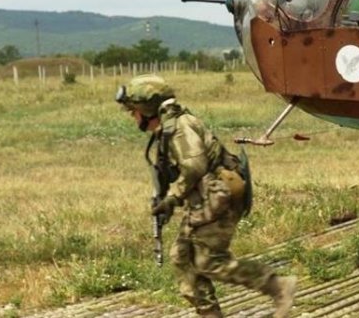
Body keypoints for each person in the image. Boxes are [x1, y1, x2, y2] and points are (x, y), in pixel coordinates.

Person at [115, 74, 296, 318]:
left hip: (219, 198)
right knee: (182, 258)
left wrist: (172, 198)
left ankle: (277, 286)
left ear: (148, 109)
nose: (132, 116)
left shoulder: (180, 128)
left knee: (209, 262)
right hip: (204, 200)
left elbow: (195, 166)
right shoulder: (169, 129)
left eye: (134, 110)